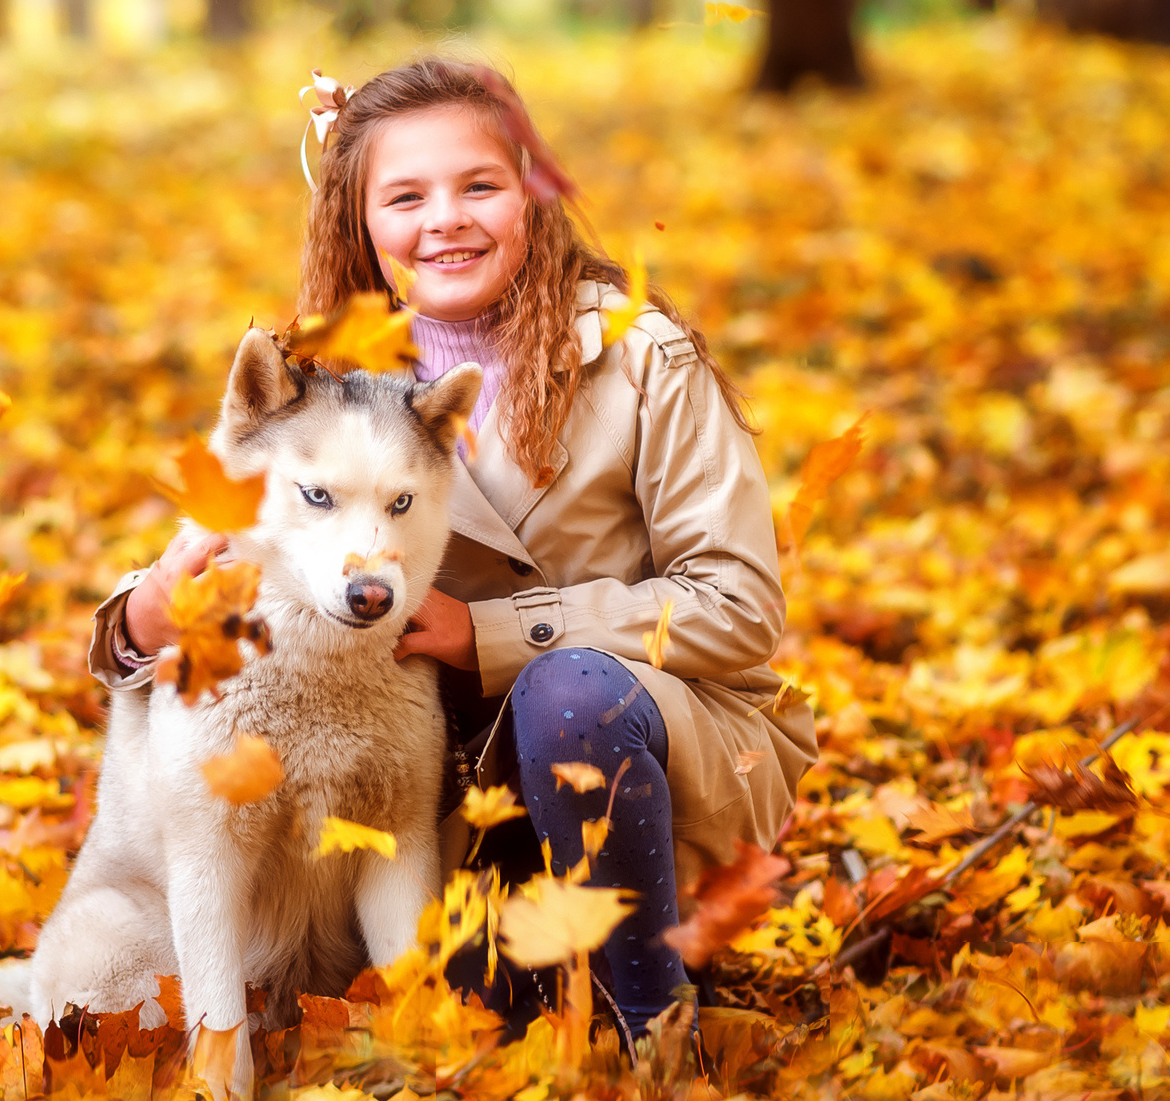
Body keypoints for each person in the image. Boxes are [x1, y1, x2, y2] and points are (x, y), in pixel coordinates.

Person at [84, 56, 815, 1040]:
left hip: (648, 735)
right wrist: (136, 616)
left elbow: (737, 605)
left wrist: (490, 630)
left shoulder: (642, 357)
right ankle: (547, 976)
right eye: (405, 195)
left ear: (534, 195)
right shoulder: (327, 381)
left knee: (573, 693)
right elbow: (224, 537)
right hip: (464, 790)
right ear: (359, 218)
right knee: (466, 1012)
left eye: (480, 185)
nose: (446, 219)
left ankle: (652, 1022)